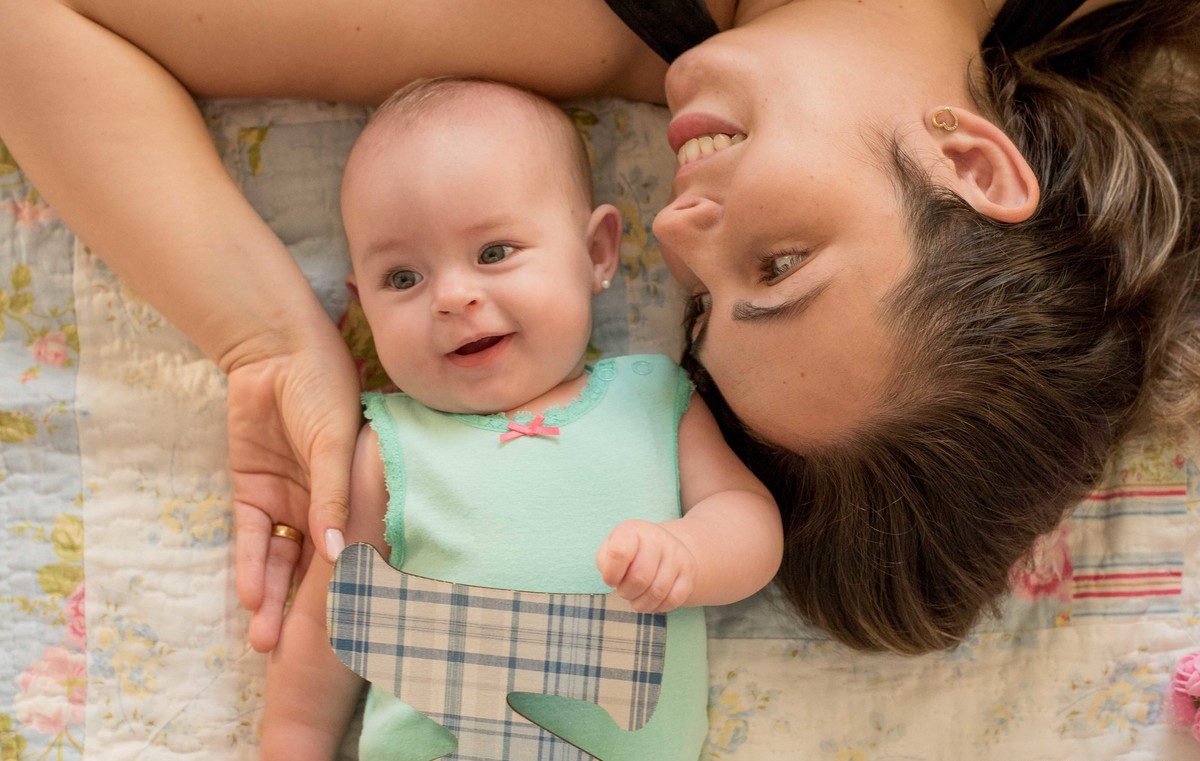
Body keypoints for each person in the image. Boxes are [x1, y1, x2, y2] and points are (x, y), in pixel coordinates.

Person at [0, 0, 1196, 654]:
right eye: (778, 264)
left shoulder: (583, 23)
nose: (678, 226)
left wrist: (268, 340)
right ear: (970, 164)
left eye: (702, 300)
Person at [224, 77, 783, 761]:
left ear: (597, 253)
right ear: (362, 308)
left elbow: (749, 518)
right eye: (403, 277)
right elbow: (331, 624)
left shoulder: (651, 399)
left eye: (494, 252)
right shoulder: (392, 447)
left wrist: (691, 554)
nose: (452, 296)